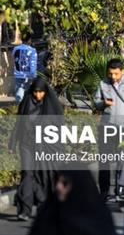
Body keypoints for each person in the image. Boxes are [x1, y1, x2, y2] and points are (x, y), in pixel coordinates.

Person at [10, 77, 64, 221]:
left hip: (45, 146)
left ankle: (43, 207)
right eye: (35, 92)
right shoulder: (26, 103)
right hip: (27, 144)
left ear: (46, 92)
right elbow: (18, 124)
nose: (38, 95)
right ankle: (24, 211)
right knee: (27, 175)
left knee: (44, 176)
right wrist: (12, 144)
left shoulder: (52, 107)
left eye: (41, 92)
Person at [93, 58, 124, 199]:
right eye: (110, 74)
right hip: (106, 128)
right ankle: (104, 191)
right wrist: (103, 103)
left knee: (123, 158)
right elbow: (96, 102)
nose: (113, 77)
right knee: (105, 160)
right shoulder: (103, 84)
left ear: (122, 71)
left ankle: (121, 189)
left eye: (116, 74)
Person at [29, 169, 117, 235]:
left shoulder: (99, 218)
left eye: (65, 183)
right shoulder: (47, 213)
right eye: (57, 182)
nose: (59, 187)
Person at [12, 31, 37, 102]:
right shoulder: (32, 50)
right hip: (29, 75)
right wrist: (33, 75)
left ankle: (20, 109)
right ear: (29, 40)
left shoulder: (15, 49)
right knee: (29, 95)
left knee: (19, 95)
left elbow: (14, 59)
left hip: (18, 74)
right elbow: (33, 63)